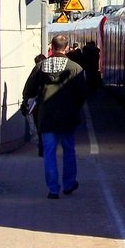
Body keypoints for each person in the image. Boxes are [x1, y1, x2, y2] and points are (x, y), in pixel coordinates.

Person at [22, 34, 87, 199]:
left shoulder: (40, 67)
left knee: (49, 152)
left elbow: (28, 90)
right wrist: (74, 108)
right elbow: (81, 94)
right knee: (69, 150)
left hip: (46, 117)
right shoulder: (75, 68)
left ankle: (53, 189)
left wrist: (31, 101)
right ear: (66, 48)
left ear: (51, 47)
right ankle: (69, 183)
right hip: (68, 117)